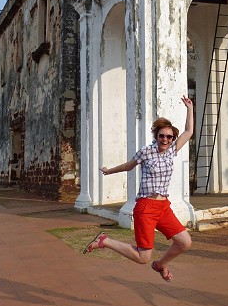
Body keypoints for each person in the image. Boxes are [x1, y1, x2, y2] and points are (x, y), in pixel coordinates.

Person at [82, 96, 194, 282]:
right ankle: (105, 241)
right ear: (156, 136)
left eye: (169, 137)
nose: (165, 139)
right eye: (161, 136)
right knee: (143, 257)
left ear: (172, 138)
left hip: (163, 206)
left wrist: (190, 108)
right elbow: (129, 166)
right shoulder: (146, 151)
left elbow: (189, 131)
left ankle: (161, 265)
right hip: (146, 207)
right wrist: (109, 171)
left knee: (185, 242)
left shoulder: (172, 151)